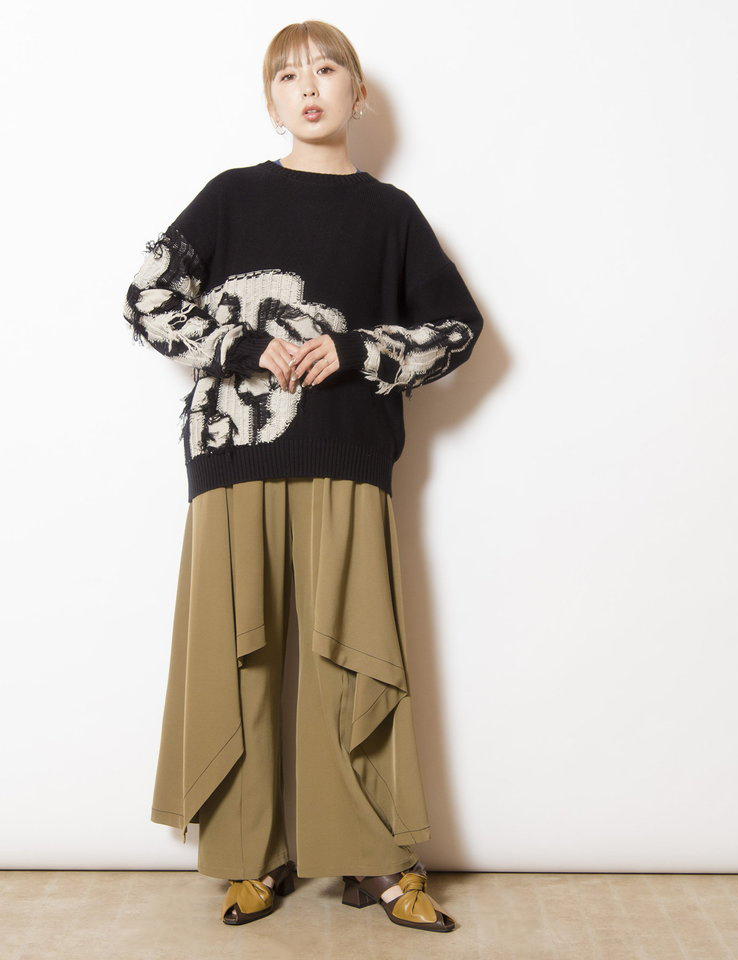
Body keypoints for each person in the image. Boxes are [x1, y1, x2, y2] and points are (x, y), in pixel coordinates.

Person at [123, 19, 483, 934]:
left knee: (352, 656)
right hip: (233, 458)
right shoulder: (231, 196)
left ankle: (377, 860)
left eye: (326, 69)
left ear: (358, 93)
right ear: (271, 100)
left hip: (347, 456)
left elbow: (457, 330)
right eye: (287, 75)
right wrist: (250, 344)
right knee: (237, 654)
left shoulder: (391, 214)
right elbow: (146, 300)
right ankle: (249, 859)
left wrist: (354, 350)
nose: (308, 86)